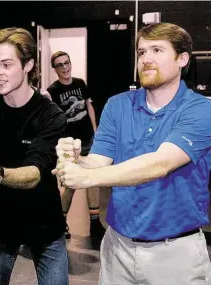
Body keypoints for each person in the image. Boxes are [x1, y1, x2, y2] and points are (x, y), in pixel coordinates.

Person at [54, 23, 211, 284]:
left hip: (176, 255)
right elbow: (99, 160)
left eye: (157, 50)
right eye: (141, 52)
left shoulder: (200, 110)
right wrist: (77, 159)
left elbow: (160, 164)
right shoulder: (118, 105)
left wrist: (87, 178)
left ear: (182, 59)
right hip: (118, 248)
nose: (146, 59)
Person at [0, 27, 69, 285]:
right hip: (0, 225)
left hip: (45, 225)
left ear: (28, 64)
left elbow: (34, 174)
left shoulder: (51, 115)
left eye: (6, 64)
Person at [47, 51, 103, 243]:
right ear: (55, 69)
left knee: (93, 180)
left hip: (88, 139)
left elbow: (89, 107)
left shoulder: (80, 83)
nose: (65, 67)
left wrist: (96, 131)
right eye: (60, 65)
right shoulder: (52, 90)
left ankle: (95, 222)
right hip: (68, 145)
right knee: (69, 185)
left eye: (67, 63)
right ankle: (61, 222)